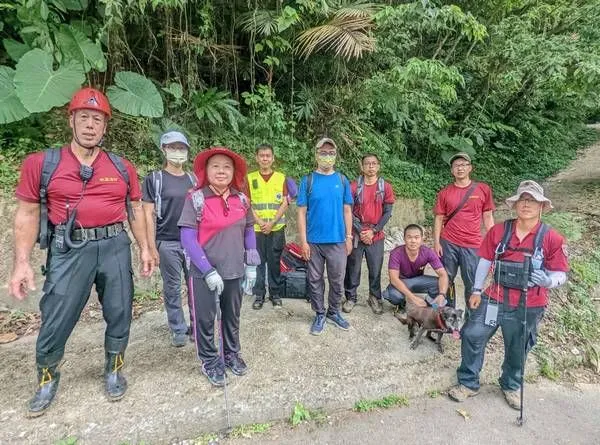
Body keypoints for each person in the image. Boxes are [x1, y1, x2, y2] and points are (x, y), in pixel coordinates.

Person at [9, 87, 154, 417]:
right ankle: (47, 378)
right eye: (84, 117)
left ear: (106, 126)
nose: (91, 125)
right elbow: (28, 213)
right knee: (57, 315)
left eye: (98, 119)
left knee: (120, 310)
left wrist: (145, 248)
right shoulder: (42, 164)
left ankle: (114, 368)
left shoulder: (121, 166)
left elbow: (134, 209)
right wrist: (21, 263)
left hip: (115, 245)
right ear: (71, 121)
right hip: (69, 248)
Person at [448, 180, 568, 410]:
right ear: (515, 205)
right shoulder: (500, 231)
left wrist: (548, 280)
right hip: (494, 298)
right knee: (473, 334)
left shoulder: (551, 238)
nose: (526, 204)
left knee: (518, 346)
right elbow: (484, 260)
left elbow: (561, 273)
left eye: (532, 200)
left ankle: (510, 385)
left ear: (541, 206)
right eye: (522, 199)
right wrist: (476, 289)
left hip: (529, 303)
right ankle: (468, 382)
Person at [178, 147, 260, 386]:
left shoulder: (241, 200)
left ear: (234, 172)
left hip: (235, 269)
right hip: (204, 274)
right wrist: (207, 269)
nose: (221, 171)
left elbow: (248, 231)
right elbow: (187, 238)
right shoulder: (196, 199)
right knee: (205, 319)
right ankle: (210, 360)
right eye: (215, 166)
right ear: (206, 170)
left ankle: (231, 353)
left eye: (227, 166)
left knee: (232, 316)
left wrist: (251, 264)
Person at [142, 131, 196, 347]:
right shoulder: (155, 179)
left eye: (181, 148)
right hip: (168, 241)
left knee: (195, 285)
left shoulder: (193, 179)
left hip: (192, 241)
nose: (178, 152)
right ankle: (178, 328)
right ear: (164, 150)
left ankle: (197, 325)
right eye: (173, 147)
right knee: (172, 287)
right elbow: (147, 213)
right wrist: (150, 246)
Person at [297, 137, 354, 335]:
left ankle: (334, 312)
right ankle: (319, 313)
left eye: (331, 153)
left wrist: (349, 237)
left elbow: (347, 210)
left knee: (337, 279)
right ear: (316, 154)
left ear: (336, 156)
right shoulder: (308, 180)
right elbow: (302, 212)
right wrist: (303, 241)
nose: (327, 156)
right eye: (323, 152)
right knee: (314, 279)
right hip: (314, 242)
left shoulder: (342, 180)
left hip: (338, 240)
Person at [433, 152, 495, 307]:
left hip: (473, 244)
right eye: (456, 166)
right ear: (451, 170)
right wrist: (436, 243)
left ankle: (470, 318)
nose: (460, 168)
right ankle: (447, 315)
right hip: (449, 242)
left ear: (470, 168)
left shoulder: (483, 189)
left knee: (473, 282)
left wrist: (494, 242)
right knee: (446, 278)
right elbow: (439, 218)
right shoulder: (445, 192)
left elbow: (488, 217)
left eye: (463, 165)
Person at [343, 153, 395, 315]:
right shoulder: (353, 186)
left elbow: (387, 212)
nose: (371, 167)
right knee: (353, 268)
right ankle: (350, 297)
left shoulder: (385, 187)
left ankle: (374, 297)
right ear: (362, 167)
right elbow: (347, 211)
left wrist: (373, 231)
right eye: (367, 164)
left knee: (375, 268)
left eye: (374, 163)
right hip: (357, 233)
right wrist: (360, 231)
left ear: (378, 166)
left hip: (376, 235)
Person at [247, 143, 297, 309]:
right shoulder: (250, 178)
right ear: (257, 158)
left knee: (275, 261)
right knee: (258, 262)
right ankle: (259, 295)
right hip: (257, 229)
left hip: (276, 228)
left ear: (273, 158)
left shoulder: (281, 178)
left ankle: (275, 294)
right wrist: (260, 222)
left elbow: (285, 202)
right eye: (262, 155)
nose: (265, 158)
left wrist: (272, 222)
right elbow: (247, 204)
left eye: (268, 155)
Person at [382, 224, 449, 321]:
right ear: (404, 239)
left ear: (422, 239)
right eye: (409, 237)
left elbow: (443, 274)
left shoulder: (428, 252)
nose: (413, 241)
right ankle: (401, 306)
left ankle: (431, 304)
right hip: (401, 281)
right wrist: (414, 298)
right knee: (393, 296)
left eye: (416, 237)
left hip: (418, 281)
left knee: (441, 283)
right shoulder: (396, 253)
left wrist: (442, 294)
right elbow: (394, 279)